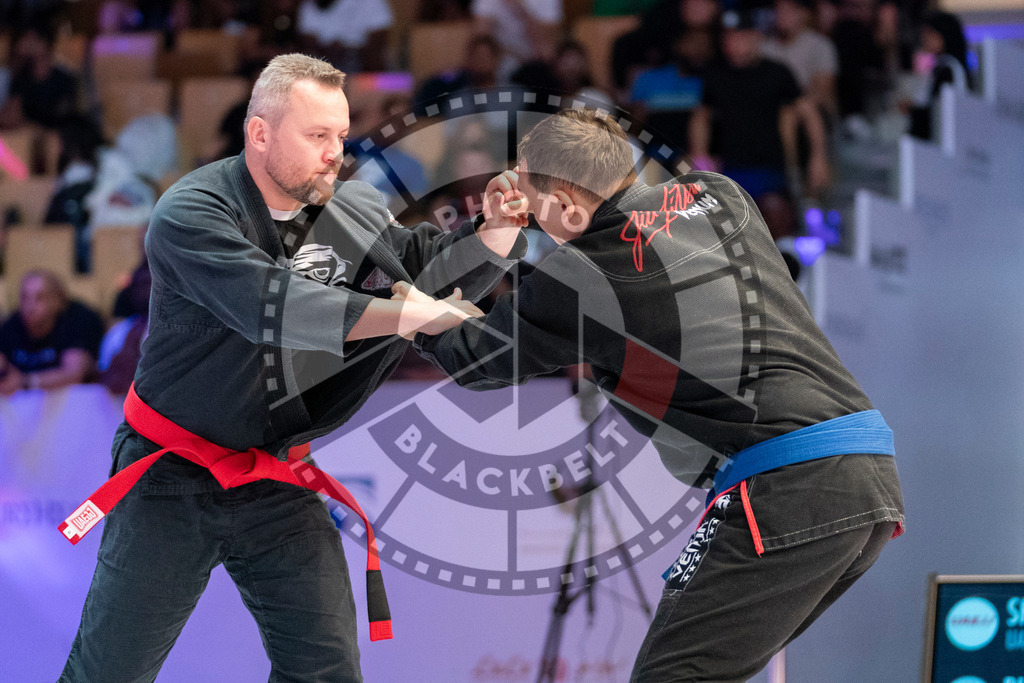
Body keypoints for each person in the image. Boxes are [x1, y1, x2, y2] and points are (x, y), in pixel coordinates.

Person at [58, 53, 527, 682]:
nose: (336, 152)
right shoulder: (191, 213)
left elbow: (422, 263)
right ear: (260, 134)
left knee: (326, 671)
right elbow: (272, 308)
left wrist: (495, 231)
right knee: (108, 672)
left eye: (340, 135)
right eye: (317, 136)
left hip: (277, 473)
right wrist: (406, 314)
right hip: (170, 474)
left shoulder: (349, 208)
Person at [406, 108, 904, 681]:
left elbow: (472, 358)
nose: (528, 212)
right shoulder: (722, 196)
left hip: (789, 484)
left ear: (568, 204)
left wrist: (424, 305)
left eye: (534, 198)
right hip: (868, 474)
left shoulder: (578, 275)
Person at [689, 7, 830, 238]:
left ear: (755, 36)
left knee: (775, 218)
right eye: (728, 35)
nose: (732, 42)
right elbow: (701, 116)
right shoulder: (714, 74)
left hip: (770, 169)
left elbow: (809, 113)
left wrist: (818, 156)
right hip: (729, 170)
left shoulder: (776, 72)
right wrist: (700, 154)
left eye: (740, 35)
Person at [0, 269, 105, 396]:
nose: (30, 306)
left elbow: (73, 374)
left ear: (58, 300)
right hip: (27, 409)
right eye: (24, 298)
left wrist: (25, 381)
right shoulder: (11, 326)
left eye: (39, 298)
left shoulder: (78, 318)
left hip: (78, 406)